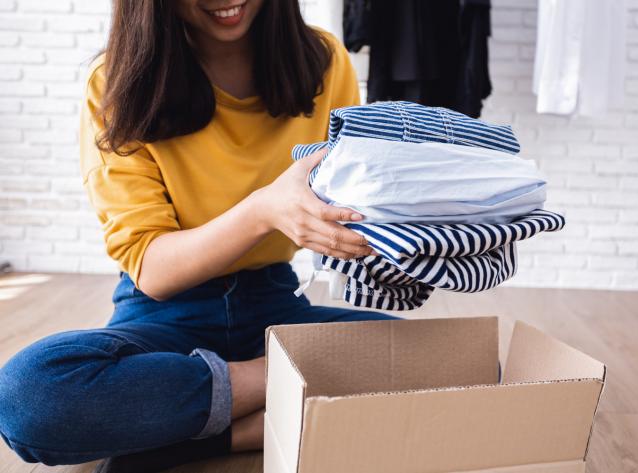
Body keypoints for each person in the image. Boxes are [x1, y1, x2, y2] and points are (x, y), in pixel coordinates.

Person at [0, 0, 397, 470]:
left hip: (273, 301)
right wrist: (263, 211)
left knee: (448, 361)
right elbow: (152, 268)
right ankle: (276, 392)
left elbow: (352, 200)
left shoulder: (325, 62)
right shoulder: (115, 83)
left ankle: (196, 432)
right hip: (165, 316)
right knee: (28, 396)